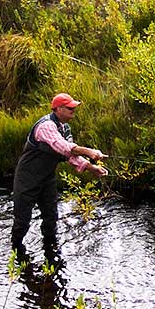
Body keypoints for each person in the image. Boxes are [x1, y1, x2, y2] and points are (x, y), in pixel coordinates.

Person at [11, 92, 107, 262]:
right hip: (27, 179)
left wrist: (92, 168)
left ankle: (51, 253)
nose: (73, 112)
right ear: (59, 109)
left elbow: (70, 156)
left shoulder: (65, 128)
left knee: (51, 217)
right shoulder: (46, 126)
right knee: (22, 222)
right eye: (70, 108)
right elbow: (63, 147)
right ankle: (16, 253)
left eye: (74, 108)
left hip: (47, 179)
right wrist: (90, 151)